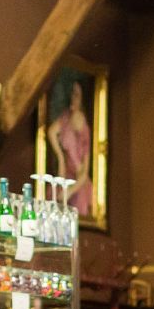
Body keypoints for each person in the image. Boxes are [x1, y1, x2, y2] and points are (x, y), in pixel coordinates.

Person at [47, 77, 94, 219]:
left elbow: (83, 172)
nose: (74, 98)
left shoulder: (84, 129)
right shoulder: (66, 117)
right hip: (65, 175)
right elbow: (51, 132)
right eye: (72, 94)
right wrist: (60, 157)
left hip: (78, 182)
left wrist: (71, 190)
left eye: (77, 95)